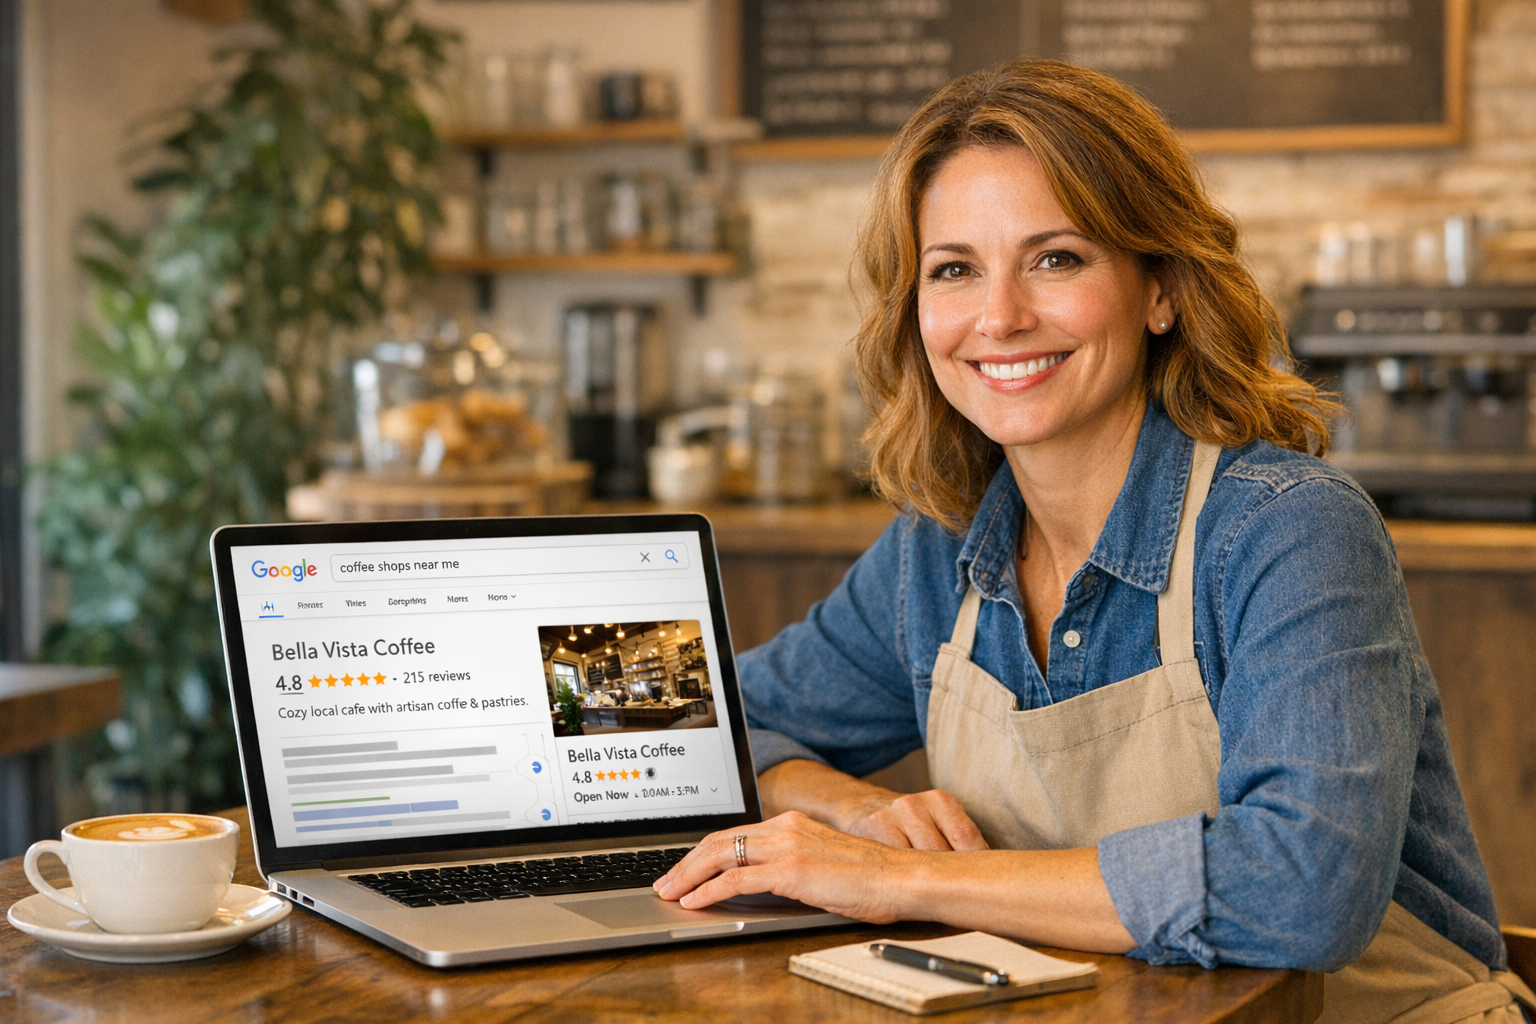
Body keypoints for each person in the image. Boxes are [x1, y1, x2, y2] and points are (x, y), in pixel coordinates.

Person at [653, 60, 1534, 1023]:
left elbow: (1303, 888)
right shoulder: (935, 551)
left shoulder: (1287, 532)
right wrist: (846, 807)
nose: (1000, 317)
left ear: (1160, 288)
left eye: (1056, 258)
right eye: (954, 270)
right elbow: (708, 727)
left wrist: (897, 882)